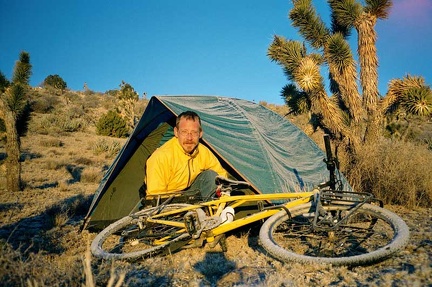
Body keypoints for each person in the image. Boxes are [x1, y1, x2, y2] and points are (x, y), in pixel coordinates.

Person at [145, 111, 228, 200]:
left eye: (194, 132)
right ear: (176, 132)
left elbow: (222, 175)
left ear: (200, 134)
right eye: (184, 132)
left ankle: (211, 211)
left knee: (211, 176)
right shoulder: (161, 157)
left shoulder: (203, 152)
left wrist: (224, 197)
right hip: (165, 202)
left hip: (189, 195)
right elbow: (155, 198)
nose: (189, 138)